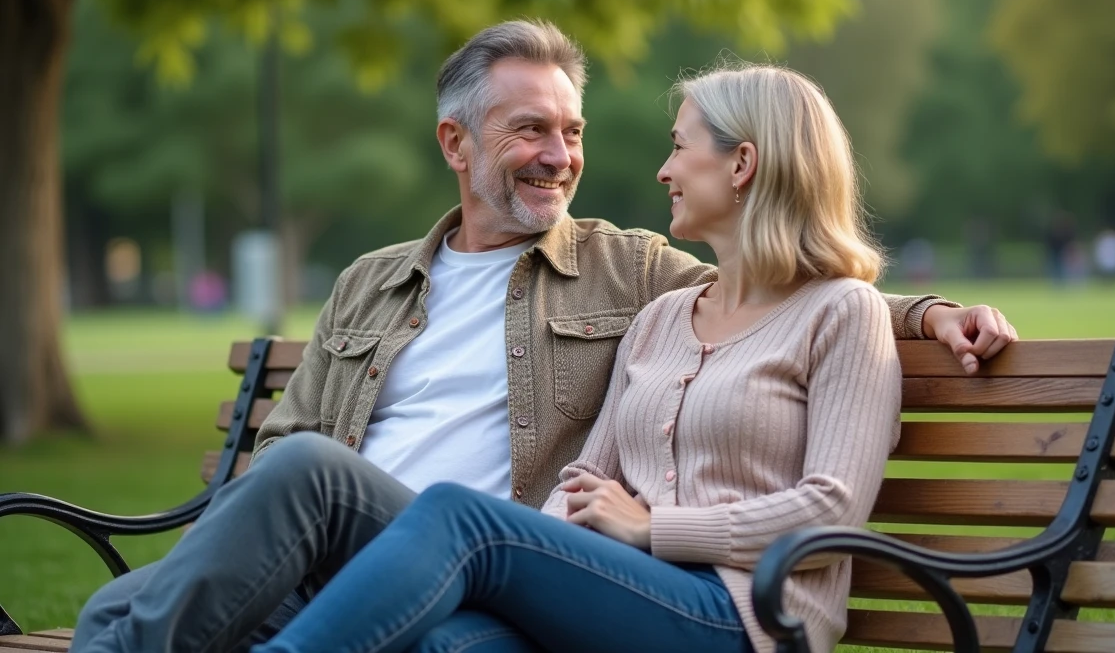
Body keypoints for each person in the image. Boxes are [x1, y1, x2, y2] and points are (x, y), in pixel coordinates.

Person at [72, 21, 1015, 653]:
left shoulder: (634, 269)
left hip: (722, 607)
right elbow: (580, 487)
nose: (571, 157)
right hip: (419, 560)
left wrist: (928, 315)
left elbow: (812, 308)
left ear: (745, 162)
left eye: (575, 130)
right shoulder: (646, 314)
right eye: (532, 130)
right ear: (457, 144)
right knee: (137, 593)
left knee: (437, 520)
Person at [252, 62, 901, 653]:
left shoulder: (844, 313)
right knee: (446, 645)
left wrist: (654, 528)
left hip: (748, 615)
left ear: (741, 165)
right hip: (623, 594)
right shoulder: (662, 319)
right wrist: (549, 550)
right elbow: (581, 482)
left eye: (679, 146)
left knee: (457, 514)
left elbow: (830, 510)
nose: (664, 171)